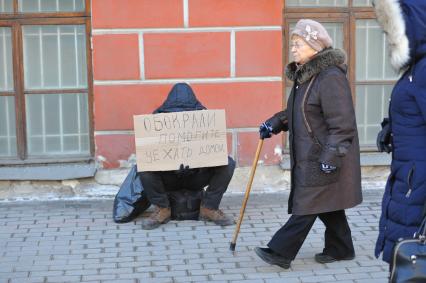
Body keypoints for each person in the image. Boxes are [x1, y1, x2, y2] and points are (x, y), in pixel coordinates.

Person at [254, 19, 362, 269]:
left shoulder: (330, 78)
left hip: (324, 156)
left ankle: (280, 252)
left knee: (308, 203)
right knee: (326, 202)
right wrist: (274, 123)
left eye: (298, 43)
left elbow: (343, 123)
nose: (293, 48)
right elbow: (299, 111)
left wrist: (331, 157)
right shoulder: (307, 78)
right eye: (292, 43)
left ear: (314, 46)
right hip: (313, 154)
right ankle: (341, 248)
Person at [139, 83, 236, 230]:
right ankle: (162, 208)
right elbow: (152, 154)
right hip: (169, 178)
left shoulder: (203, 118)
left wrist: (197, 167)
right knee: (143, 165)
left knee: (228, 163)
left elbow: (212, 152)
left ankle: (209, 207)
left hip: (195, 176)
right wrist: (171, 168)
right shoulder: (157, 120)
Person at [373, 0, 426, 266]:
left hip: (419, 186)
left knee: (412, 263)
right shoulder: (416, 69)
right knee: (407, 263)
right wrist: (391, 127)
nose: (390, 36)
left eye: (393, 28)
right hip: (409, 179)